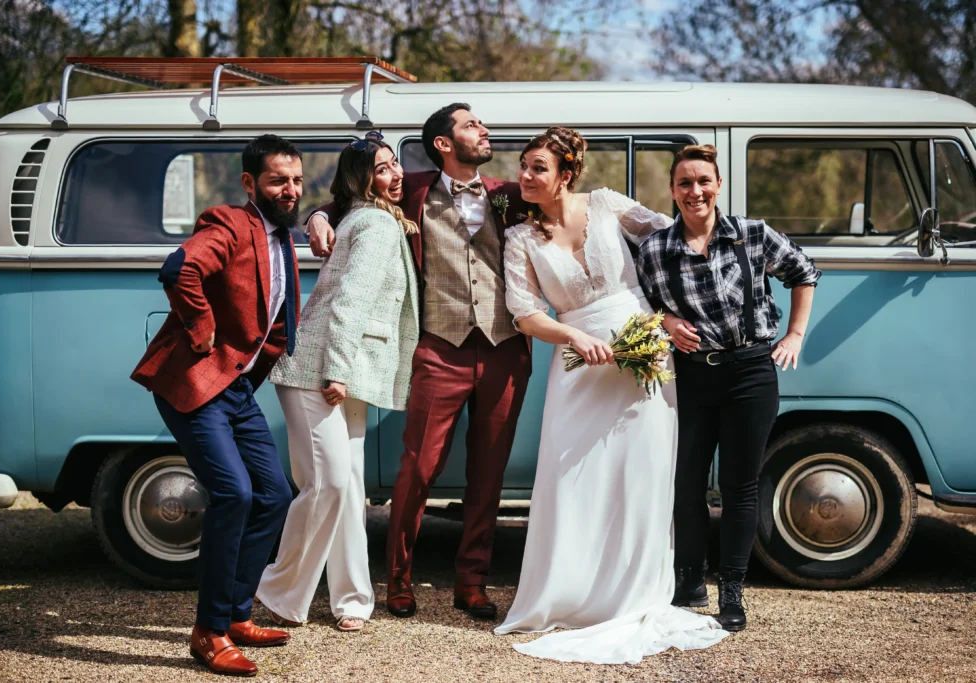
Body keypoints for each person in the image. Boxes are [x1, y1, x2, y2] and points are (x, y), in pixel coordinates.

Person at [493, 127, 729, 665]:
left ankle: (637, 593)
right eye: (524, 167)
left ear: (566, 174)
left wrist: (667, 314)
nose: (524, 177)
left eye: (537, 168)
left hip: (644, 349)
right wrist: (573, 334)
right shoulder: (520, 238)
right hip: (578, 365)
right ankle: (571, 594)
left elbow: (675, 237)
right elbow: (525, 312)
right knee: (574, 478)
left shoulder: (606, 205)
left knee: (639, 474)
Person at [306, 103, 529, 620]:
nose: (485, 128)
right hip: (437, 348)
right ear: (444, 143)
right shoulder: (413, 186)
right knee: (417, 468)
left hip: (504, 349)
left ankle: (471, 581)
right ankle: (398, 579)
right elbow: (349, 199)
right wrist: (317, 216)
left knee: (489, 473)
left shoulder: (510, 195)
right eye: (473, 124)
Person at [130, 134, 302, 677]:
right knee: (235, 492)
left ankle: (236, 614)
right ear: (251, 183)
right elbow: (180, 268)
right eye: (278, 180)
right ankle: (208, 632)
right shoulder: (230, 223)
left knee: (274, 495)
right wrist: (200, 328)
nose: (290, 189)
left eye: (296, 180)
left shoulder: (282, 236)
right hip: (194, 384)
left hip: (235, 390)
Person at [636, 144, 821, 633]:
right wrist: (666, 320)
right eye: (683, 183)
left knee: (739, 487)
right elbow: (638, 307)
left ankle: (732, 590)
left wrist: (796, 335)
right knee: (687, 484)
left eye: (703, 181)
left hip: (750, 373)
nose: (694, 191)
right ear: (672, 190)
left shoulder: (752, 235)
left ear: (718, 185)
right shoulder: (655, 249)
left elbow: (804, 272)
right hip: (691, 376)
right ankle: (689, 582)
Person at [255, 133, 420, 633]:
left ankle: (352, 599)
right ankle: (272, 586)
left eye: (396, 167)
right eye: (386, 169)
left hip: (341, 370)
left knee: (348, 488)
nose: (397, 176)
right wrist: (339, 370)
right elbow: (350, 301)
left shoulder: (373, 219)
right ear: (363, 179)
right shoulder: (373, 223)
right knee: (326, 484)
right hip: (320, 371)